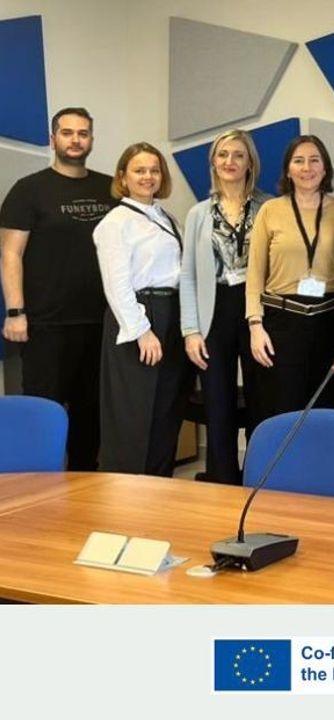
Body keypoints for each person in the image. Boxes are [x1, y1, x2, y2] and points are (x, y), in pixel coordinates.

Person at [0, 107, 114, 470]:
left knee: (91, 412)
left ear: (91, 140)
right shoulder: (28, 190)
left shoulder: (111, 188)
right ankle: (37, 485)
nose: (75, 140)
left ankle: (85, 482)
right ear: (53, 140)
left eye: (82, 133)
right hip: (46, 323)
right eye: (67, 133)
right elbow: (10, 254)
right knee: (43, 411)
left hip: (101, 322)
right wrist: (15, 312)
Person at [180, 129, 272, 484]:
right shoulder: (198, 213)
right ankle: (222, 481)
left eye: (238, 155)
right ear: (213, 162)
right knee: (217, 403)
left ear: (251, 163)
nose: (229, 161)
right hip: (213, 310)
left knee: (261, 400)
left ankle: (259, 478)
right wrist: (191, 330)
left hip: (257, 312)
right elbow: (188, 274)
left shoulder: (269, 208)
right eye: (222, 155)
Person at [94, 143, 191, 476]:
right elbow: (116, 284)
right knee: (133, 413)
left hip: (172, 313)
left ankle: (159, 484)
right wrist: (142, 330)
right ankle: (126, 493)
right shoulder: (116, 222)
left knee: (166, 409)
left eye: (154, 170)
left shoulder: (167, 217)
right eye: (139, 170)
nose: (148, 176)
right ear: (123, 176)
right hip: (139, 316)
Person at [245, 135, 334, 419]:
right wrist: (255, 326)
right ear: (288, 169)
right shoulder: (270, 210)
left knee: (327, 410)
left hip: (330, 323)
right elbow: (255, 274)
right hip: (282, 324)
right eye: (299, 161)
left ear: (325, 168)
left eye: (314, 160)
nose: (307, 168)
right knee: (283, 410)